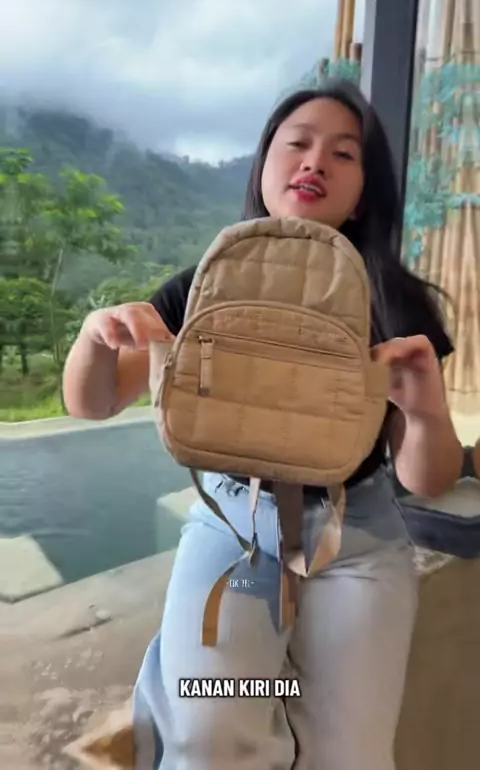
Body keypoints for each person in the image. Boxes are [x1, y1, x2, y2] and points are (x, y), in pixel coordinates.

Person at [63, 80, 463, 770]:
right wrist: (95, 339)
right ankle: (221, 689)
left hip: (358, 540)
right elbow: (93, 402)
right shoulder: (207, 286)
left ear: (363, 192)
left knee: (351, 752)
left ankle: (255, 690)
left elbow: (427, 479)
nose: (315, 162)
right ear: (264, 167)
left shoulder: (395, 303)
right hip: (234, 526)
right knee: (211, 733)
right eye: (297, 143)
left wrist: (425, 412)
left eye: (343, 154)